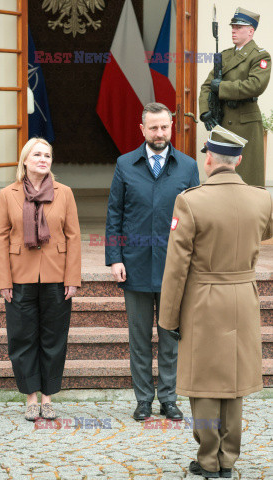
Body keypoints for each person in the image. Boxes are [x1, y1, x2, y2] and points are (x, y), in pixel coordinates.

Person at [159, 125, 273, 478]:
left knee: (204, 381)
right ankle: (229, 457)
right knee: (234, 380)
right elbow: (265, 232)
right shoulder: (263, 198)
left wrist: (168, 318)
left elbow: (176, 268)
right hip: (242, 294)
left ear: (208, 159)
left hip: (204, 298)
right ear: (237, 161)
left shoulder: (191, 200)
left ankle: (208, 458)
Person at [105, 102, 200, 421]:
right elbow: (114, 214)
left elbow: (197, 220)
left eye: (165, 127)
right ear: (142, 130)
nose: (160, 133)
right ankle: (144, 399)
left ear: (171, 127)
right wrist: (114, 258)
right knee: (140, 338)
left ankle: (169, 398)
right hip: (134, 265)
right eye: (153, 127)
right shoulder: (125, 164)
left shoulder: (187, 167)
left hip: (175, 268)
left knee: (171, 337)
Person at [0, 138, 81, 421]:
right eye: (37, 154)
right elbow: (1, 238)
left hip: (57, 276)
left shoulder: (64, 193)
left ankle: (47, 397)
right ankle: (31, 397)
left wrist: (72, 278)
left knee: (54, 338)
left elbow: (73, 237)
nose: (43, 159)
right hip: (19, 277)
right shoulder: (8, 194)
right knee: (22, 338)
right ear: (25, 160)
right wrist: (4, 280)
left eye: (47, 155)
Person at [199, 7, 271, 186]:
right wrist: (206, 112)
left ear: (251, 31)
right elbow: (207, 86)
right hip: (223, 123)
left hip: (246, 125)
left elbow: (255, 86)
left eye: (239, 27)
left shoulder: (260, 56)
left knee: (248, 179)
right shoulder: (224, 56)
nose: (233, 30)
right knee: (221, 178)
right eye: (233, 26)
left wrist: (222, 87)